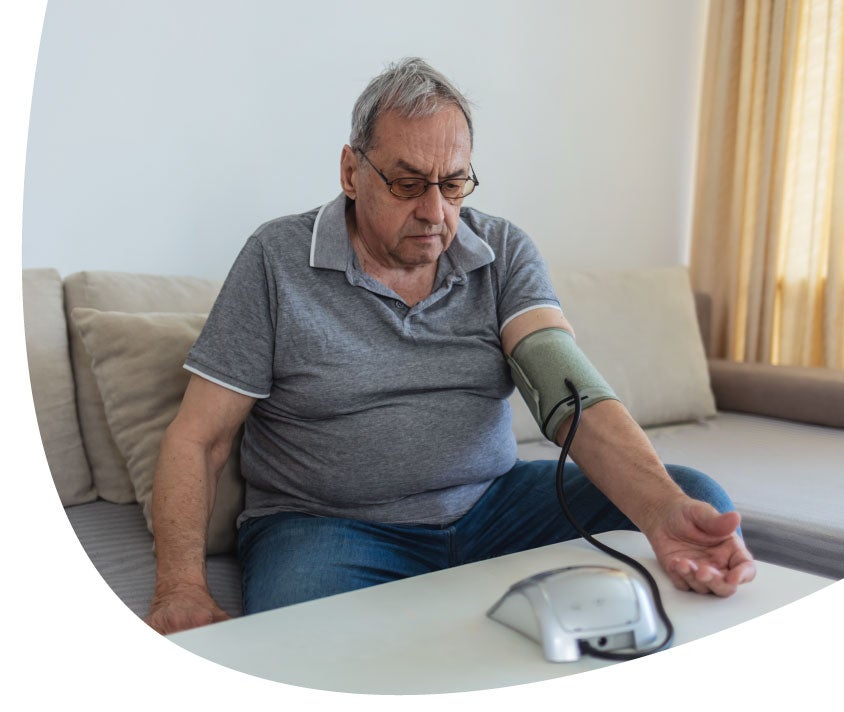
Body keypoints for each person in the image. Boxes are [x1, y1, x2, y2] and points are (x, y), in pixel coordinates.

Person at [145, 57, 756, 635]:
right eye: (409, 184)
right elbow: (199, 439)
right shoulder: (276, 259)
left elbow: (566, 389)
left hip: (494, 506)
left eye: (454, 183)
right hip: (328, 525)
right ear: (352, 172)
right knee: (303, 641)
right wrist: (179, 588)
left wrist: (660, 513)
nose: (435, 211)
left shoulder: (502, 249)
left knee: (693, 501)